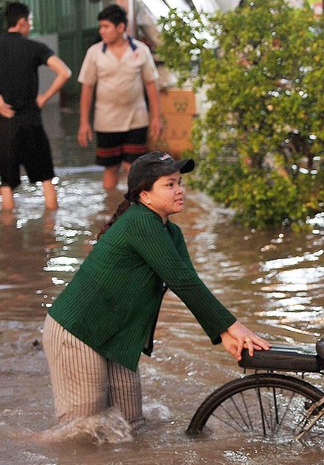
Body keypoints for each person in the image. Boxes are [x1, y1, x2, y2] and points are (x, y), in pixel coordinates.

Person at [43, 151, 270, 430]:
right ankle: (21, 444)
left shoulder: (170, 232)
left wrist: (225, 333)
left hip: (116, 335)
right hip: (78, 331)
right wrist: (237, 327)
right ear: (145, 196)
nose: (179, 191)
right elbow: (182, 282)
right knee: (83, 432)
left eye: (180, 183)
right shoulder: (141, 222)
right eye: (169, 185)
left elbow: (189, 283)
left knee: (130, 426)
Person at [78, 4, 162, 190]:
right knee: (110, 168)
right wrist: (84, 122)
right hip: (106, 121)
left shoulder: (140, 50)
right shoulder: (95, 53)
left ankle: (135, 210)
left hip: (137, 119)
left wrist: (156, 117)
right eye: (101, 27)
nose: (102, 31)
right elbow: (87, 88)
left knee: (135, 168)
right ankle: (111, 210)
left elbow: (151, 85)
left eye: (106, 27)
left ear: (121, 27)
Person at [0, 1, 71, 212]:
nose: (30, 26)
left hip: (5, 125)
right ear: (22, 22)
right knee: (47, 179)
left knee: (6, 183)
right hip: (32, 122)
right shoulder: (35, 48)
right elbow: (64, 72)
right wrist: (44, 98)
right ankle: (50, 236)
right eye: (30, 22)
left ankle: (9, 235)